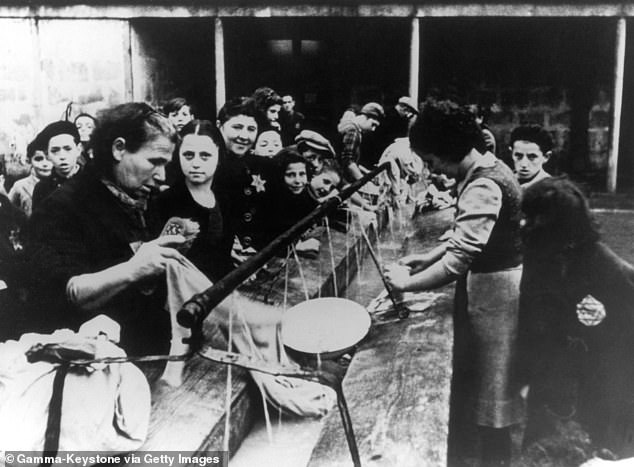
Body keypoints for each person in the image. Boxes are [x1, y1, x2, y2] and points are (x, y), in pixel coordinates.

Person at [384, 98, 523, 467]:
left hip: (499, 294)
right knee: (491, 381)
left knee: (495, 382)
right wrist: (426, 257)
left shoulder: (483, 185)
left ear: (447, 151)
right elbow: (466, 234)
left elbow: (459, 261)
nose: (433, 171)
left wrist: (405, 285)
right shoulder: (489, 168)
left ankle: (494, 458)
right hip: (494, 284)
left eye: (431, 161)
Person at [27, 102, 182, 355]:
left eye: (166, 164)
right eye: (155, 161)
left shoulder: (141, 196)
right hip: (99, 366)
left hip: (154, 350)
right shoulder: (61, 208)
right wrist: (134, 268)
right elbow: (70, 293)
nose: (162, 175)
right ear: (119, 148)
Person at [518, 177, 634, 459]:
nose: (523, 224)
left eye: (532, 218)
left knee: (594, 449)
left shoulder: (609, 270)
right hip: (553, 375)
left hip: (602, 382)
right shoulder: (542, 256)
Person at [155, 120, 233, 282]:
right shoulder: (166, 201)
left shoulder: (225, 198)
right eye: (188, 155)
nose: (196, 163)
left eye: (205, 155)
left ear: (218, 156)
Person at [213, 96, 277, 257]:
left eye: (251, 129)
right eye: (237, 127)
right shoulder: (207, 166)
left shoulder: (262, 165)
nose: (244, 136)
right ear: (219, 126)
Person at [31, 121, 82, 210]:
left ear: (78, 149)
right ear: (47, 155)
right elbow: (38, 222)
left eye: (68, 149)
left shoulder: (93, 183)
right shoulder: (42, 188)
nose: (62, 156)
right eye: (55, 151)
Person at [337, 102, 384, 181]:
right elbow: (347, 160)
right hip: (341, 177)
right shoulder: (352, 130)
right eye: (373, 124)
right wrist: (362, 181)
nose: (373, 129)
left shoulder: (353, 129)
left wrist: (367, 173)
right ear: (364, 117)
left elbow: (353, 161)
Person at [8, 135, 51, 217]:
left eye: (49, 159)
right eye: (38, 159)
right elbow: (7, 209)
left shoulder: (60, 183)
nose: (45, 164)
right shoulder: (20, 186)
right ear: (29, 160)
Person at [509, 123, 553, 188]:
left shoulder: (551, 189)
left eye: (532, 157)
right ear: (511, 153)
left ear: (546, 157)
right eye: (518, 156)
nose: (524, 164)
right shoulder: (504, 181)